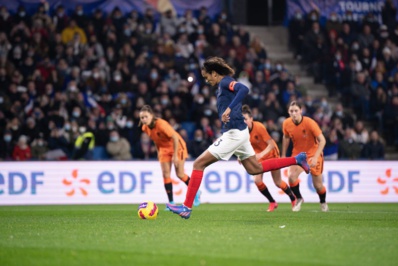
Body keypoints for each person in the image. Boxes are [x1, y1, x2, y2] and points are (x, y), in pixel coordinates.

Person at [167, 57, 309, 219]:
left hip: (234, 134)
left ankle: (186, 207)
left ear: (214, 73)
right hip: (239, 132)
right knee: (255, 169)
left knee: (199, 163)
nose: (206, 80)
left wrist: (229, 108)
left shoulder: (225, 82)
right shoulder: (223, 85)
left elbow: (244, 89)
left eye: (207, 77)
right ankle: (297, 159)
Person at [139, 105, 201, 208]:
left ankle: (196, 192)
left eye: (146, 116)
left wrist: (175, 156)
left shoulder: (162, 124)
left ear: (152, 115)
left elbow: (175, 138)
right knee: (165, 174)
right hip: (164, 149)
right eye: (142, 118)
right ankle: (171, 202)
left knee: (180, 174)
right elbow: (155, 139)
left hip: (177, 146)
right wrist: (159, 151)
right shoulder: (145, 128)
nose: (144, 119)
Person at [242, 105, 297, 212]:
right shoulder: (242, 132)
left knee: (277, 182)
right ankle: (272, 202)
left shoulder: (259, 127)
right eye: (242, 119)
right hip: (259, 156)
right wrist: (241, 156)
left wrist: (261, 155)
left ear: (251, 119)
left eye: (246, 119)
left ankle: (293, 197)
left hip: (271, 153)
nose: (244, 122)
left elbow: (271, 144)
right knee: (257, 180)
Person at [281, 101, 328, 212]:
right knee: (291, 177)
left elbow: (323, 140)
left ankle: (323, 202)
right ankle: (299, 198)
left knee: (318, 186)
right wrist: (283, 154)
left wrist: (316, 157)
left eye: (296, 110)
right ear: (288, 112)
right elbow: (286, 137)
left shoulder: (310, 123)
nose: (294, 113)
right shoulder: (286, 123)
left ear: (301, 111)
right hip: (298, 155)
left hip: (313, 154)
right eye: (291, 111)